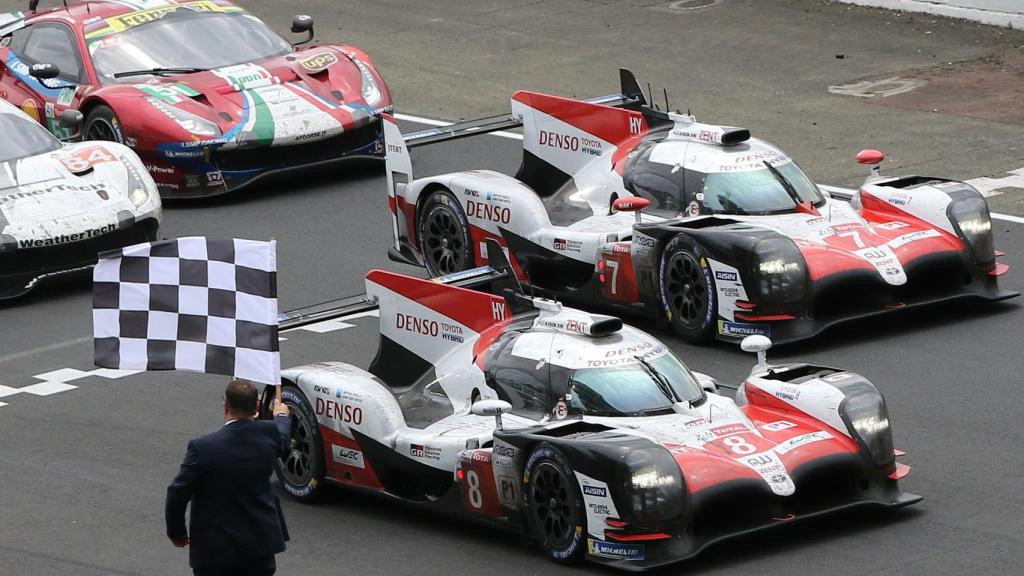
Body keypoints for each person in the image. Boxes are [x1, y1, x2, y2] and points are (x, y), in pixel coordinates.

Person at [166, 380, 292, 576]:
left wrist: (177, 533)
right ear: (257, 407)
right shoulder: (270, 434)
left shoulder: (202, 447)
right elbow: (283, 439)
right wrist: (282, 416)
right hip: (259, 550)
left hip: (215, 554)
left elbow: (177, 493)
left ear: (226, 406)